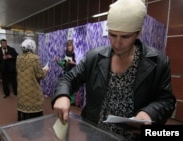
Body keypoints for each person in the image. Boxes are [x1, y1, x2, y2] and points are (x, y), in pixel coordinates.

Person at [51, 0, 176, 140]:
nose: (117, 43)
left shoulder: (158, 62)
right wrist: (62, 95)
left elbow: (166, 101)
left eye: (125, 37)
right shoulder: (94, 57)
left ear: (138, 33)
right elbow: (68, 79)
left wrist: (148, 113)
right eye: (112, 35)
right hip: (96, 135)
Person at [16, 38, 49, 121]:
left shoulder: (18, 58)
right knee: (34, 117)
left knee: (23, 109)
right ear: (32, 47)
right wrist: (46, 70)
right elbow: (40, 75)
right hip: (32, 91)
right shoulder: (34, 58)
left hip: (22, 90)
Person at [55, 40, 77, 105]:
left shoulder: (75, 54)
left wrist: (74, 63)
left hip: (73, 72)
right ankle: (67, 99)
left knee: (72, 86)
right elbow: (63, 63)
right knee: (67, 86)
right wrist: (57, 61)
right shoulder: (66, 54)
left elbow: (79, 63)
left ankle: (72, 101)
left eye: (71, 46)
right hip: (67, 72)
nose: (69, 47)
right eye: (68, 46)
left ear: (73, 46)